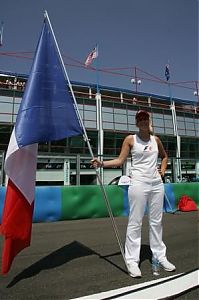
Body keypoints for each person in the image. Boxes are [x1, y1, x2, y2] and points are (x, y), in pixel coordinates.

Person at [91, 110, 176, 278]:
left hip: (156, 184)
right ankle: (132, 260)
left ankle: (160, 256)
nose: (143, 121)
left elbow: (165, 157)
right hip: (138, 183)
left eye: (145, 118)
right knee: (135, 222)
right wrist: (102, 164)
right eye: (140, 119)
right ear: (136, 123)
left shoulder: (155, 140)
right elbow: (120, 160)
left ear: (149, 121)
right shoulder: (130, 139)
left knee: (156, 222)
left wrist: (163, 171)